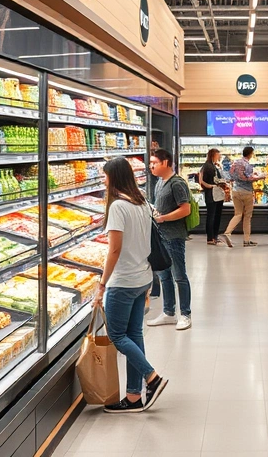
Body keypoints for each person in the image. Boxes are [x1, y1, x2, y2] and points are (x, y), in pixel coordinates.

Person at [97, 157, 168, 413]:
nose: (103, 181)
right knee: (135, 334)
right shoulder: (142, 202)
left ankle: (152, 377)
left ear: (114, 178)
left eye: (105, 176)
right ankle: (133, 396)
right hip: (142, 277)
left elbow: (114, 250)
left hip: (123, 281)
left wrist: (102, 284)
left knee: (117, 336)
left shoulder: (118, 206)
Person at [147, 149, 193, 331]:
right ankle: (169, 312)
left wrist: (163, 218)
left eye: (154, 162)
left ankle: (185, 314)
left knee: (179, 276)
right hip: (160, 236)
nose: (151, 166)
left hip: (174, 237)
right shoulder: (160, 182)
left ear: (165, 162)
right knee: (164, 275)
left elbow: (185, 209)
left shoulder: (177, 183)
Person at [223, 146, 264, 247]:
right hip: (246, 192)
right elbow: (249, 178)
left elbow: (230, 175)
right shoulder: (248, 165)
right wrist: (260, 177)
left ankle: (227, 232)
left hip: (235, 191)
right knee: (247, 216)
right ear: (250, 154)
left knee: (237, 214)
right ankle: (246, 240)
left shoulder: (235, 163)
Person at [199, 148, 228, 246]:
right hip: (213, 194)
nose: (219, 157)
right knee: (213, 216)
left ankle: (213, 237)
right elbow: (210, 180)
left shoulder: (211, 166)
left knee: (214, 215)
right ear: (213, 155)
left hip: (214, 193)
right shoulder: (209, 167)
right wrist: (212, 185)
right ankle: (211, 237)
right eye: (218, 155)